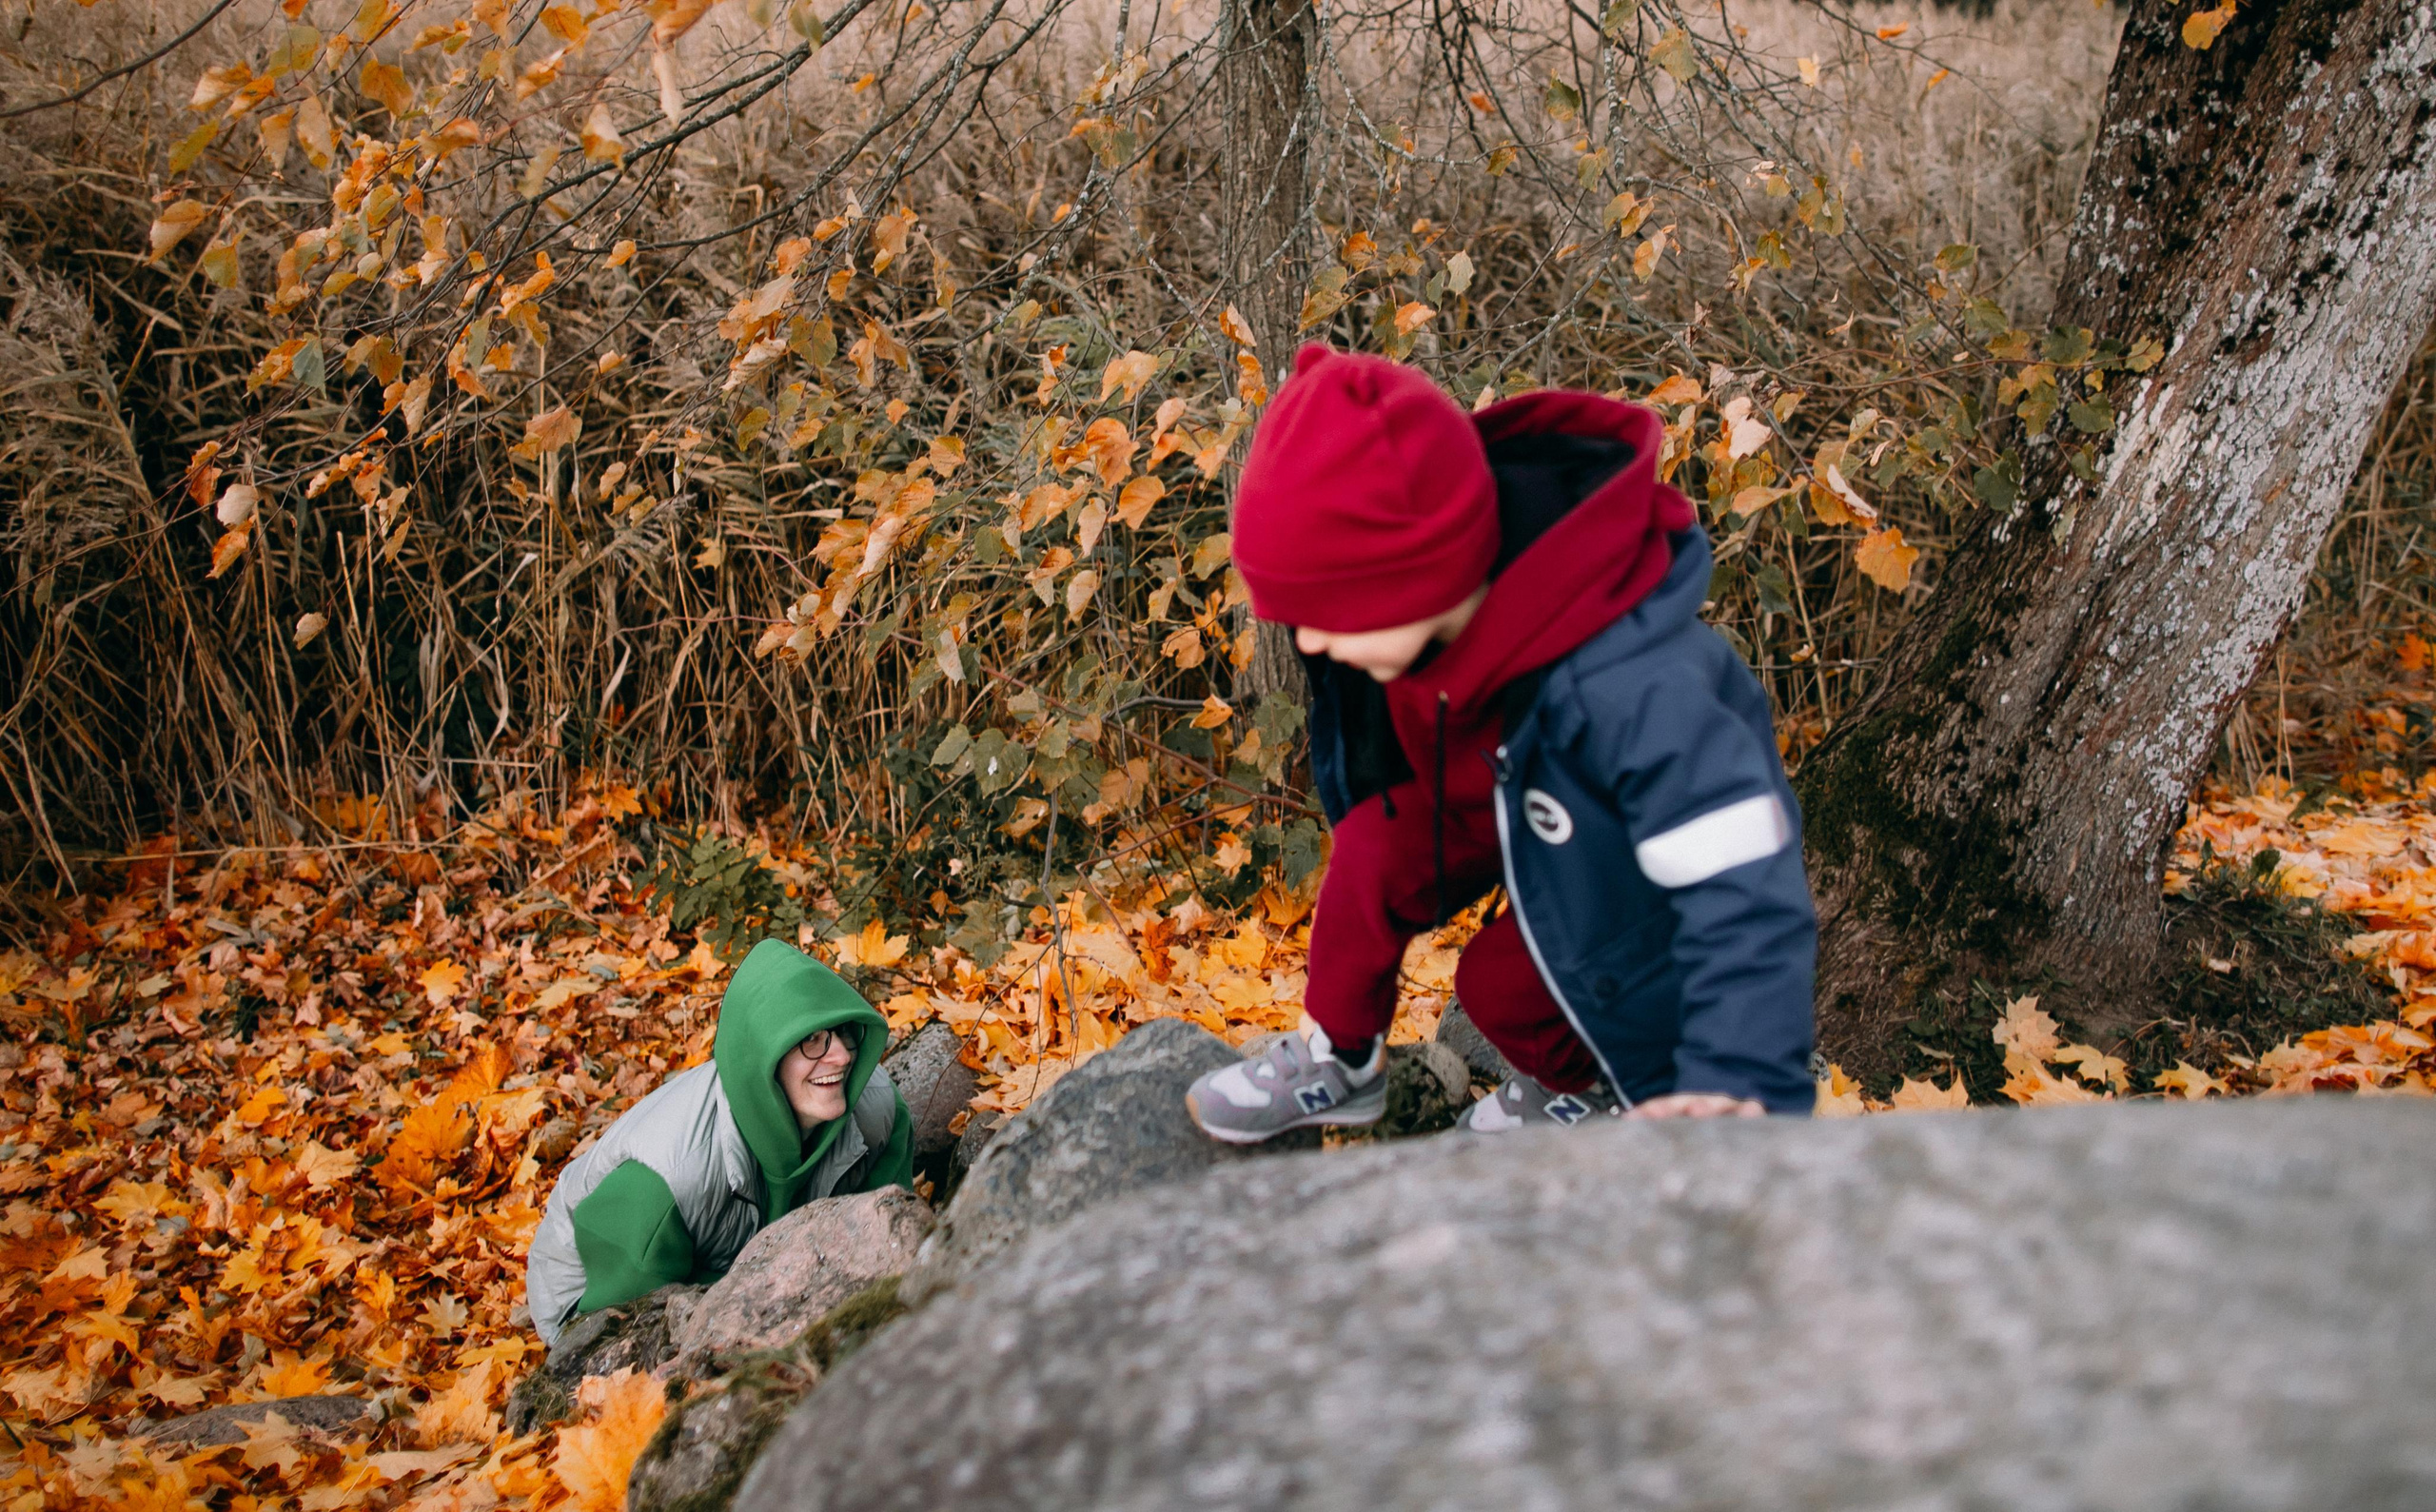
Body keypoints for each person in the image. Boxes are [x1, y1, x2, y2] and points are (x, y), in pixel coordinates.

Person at [1186, 345, 1817, 1141]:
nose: (1311, 638)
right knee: (1373, 851)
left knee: (1502, 988)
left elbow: (1743, 884)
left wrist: (1743, 1078)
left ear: (1419, 576)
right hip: (1488, 791)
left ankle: (1614, 1092)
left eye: (1328, 612)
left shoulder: (1639, 685)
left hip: (1618, 867)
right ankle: (1339, 1058)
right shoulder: (1422, 632)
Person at [525, 939, 913, 1345]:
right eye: (812, 1039)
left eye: (843, 1034)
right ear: (764, 1056)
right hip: (595, 1293)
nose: (841, 1056)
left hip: (743, 1265)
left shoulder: (877, 1110)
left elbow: (892, 1248)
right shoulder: (667, 1182)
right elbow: (618, 1330)